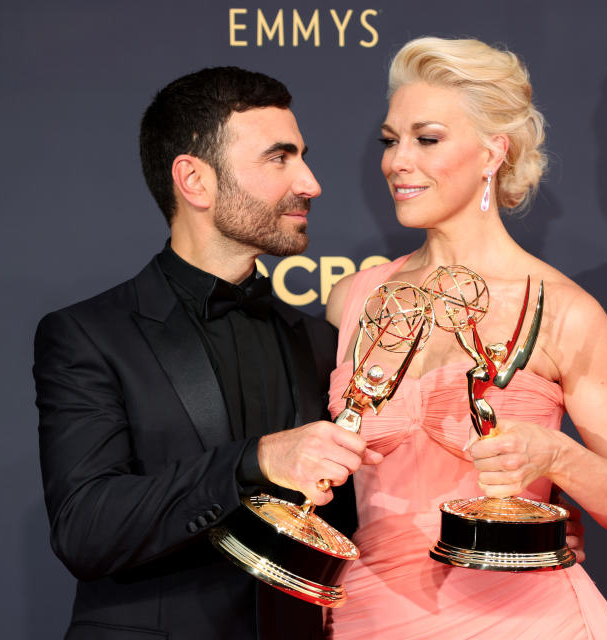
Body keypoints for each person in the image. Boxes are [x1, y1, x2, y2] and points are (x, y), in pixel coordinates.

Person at [324, 37, 607, 638]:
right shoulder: (352, 301)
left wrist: (556, 457)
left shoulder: (565, 312)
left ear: (493, 153)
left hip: (525, 618)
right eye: (390, 140)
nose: (396, 161)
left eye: (426, 139)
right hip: (368, 614)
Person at [33, 67, 380, 640]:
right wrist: (255, 461)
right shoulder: (89, 335)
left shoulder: (321, 342)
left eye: (303, 156)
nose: (311, 182)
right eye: (279, 158)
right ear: (194, 180)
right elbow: (85, 529)